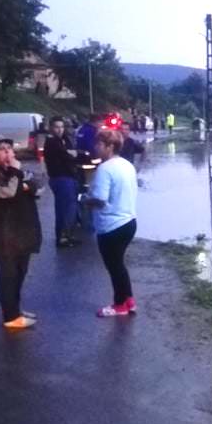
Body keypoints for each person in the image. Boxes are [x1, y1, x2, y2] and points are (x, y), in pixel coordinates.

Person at [0, 136, 43, 330]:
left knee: (21, 272)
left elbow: (38, 186)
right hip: (5, 233)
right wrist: (19, 180)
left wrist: (26, 185)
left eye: (9, 148)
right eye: (1, 149)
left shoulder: (16, 170)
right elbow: (6, 192)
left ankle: (16, 309)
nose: (8, 153)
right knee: (9, 274)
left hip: (24, 228)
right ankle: (10, 316)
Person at [82, 129, 138, 317]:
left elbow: (100, 199)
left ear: (110, 146)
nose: (95, 147)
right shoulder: (127, 165)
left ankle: (119, 305)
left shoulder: (105, 169)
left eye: (99, 144)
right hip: (129, 222)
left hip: (111, 225)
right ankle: (129, 300)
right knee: (119, 264)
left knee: (114, 266)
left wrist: (84, 199)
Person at [43, 116, 82, 247]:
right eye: (56, 127)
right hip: (61, 178)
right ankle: (63, 237)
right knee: (65, 209)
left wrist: (73, 152)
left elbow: (71, 153)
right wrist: (74, 154)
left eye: (61, 127)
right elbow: (66, 156)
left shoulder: (62, 140)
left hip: (66, 177)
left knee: (67, 208)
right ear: (51, 128)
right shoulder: (52, 142)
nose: (59, 130)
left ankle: (66, 235)